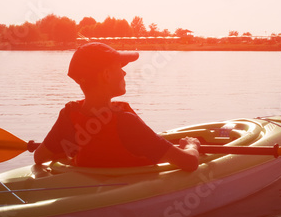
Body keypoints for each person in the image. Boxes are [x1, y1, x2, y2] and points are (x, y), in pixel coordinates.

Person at [28, 43, 201, 171]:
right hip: (129, 192)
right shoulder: (127, 122)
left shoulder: (68, 115)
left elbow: (40, 157)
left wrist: (66, 150)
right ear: (106, 75)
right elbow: (190, 163)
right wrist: (192, 146)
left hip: (87, 189)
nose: (124, 72)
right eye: (120, 67)